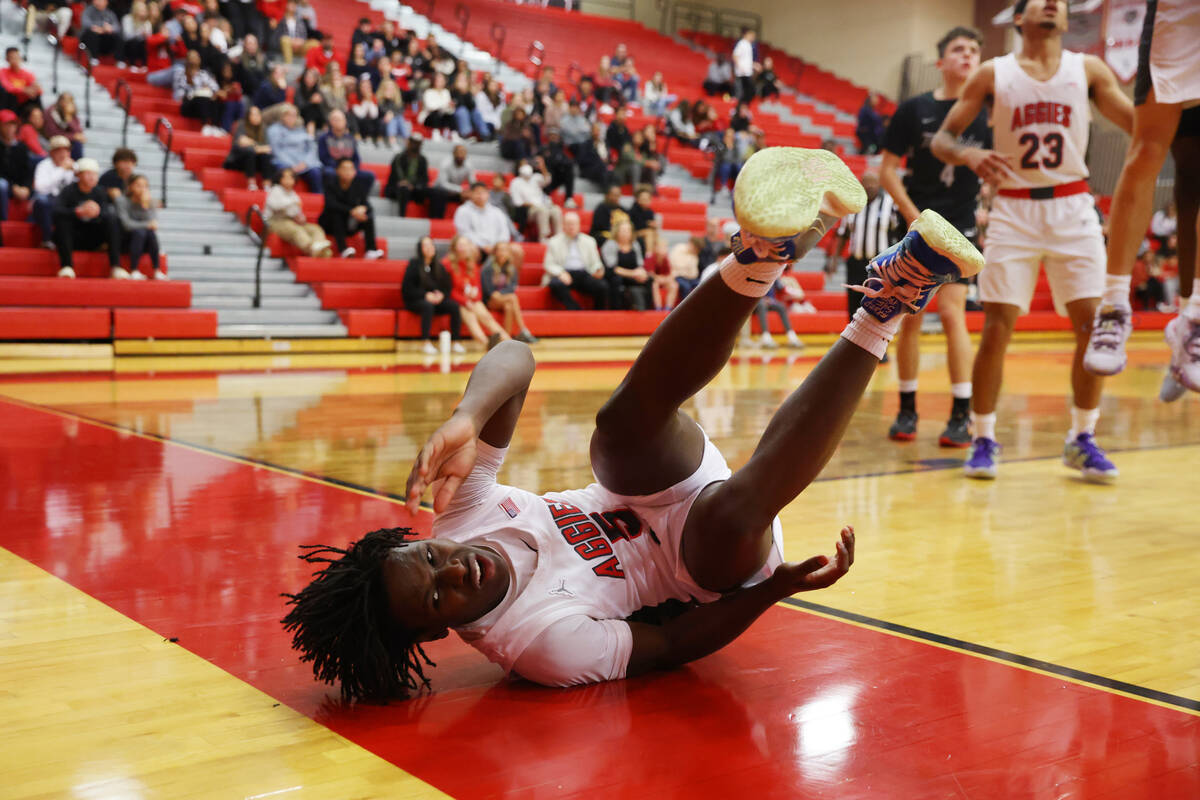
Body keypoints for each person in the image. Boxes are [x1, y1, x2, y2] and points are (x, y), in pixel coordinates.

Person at [280, 148, 988, 700]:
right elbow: (674, 645)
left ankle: (764, 252)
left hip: (646, 487)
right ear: (438, 629)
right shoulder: (540, 649)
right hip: (709, 565)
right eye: (439, 595)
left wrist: (467, 416)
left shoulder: (458, 521)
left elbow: (516, 356)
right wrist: (775, 591)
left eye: (431, 561)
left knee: (614, 435)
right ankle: (889, 299)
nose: (454, 569)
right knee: (725, 521)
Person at [931, 0, 1132, 482]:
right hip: (1014, 208)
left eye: (1060, 3)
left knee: (1090, 327)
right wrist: (970, 156)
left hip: (1073, 205)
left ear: (1064, 19)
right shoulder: (992, 73)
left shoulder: (1088, 68)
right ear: (1018, 18)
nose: (1052, 4)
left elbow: (1140, 126)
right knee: (998, 327)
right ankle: (983, 437)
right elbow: (942, 140)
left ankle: (1082, 438)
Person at [1081, 0, 1200, 401]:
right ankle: (1113, 306)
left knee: (1193, 177)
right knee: (1150, 152)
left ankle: (1191, 320)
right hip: (1180, 15)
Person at [878, 26, 989, 447]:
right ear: (941, 62)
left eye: (974, 50)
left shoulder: (989, 111)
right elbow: (887, 169)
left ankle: (961, 414)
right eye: (959, 49)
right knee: (909, 315)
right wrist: (913, 217)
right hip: (917, 218)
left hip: (961, 221)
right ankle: (907, 409)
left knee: (953, 313)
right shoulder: (914, 110)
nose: (967, 55)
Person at [827, 172, 899, 325]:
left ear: (879, 184)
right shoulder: (854, 206)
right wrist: (834, 259)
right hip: (856, 263)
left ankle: (879, 349)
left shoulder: (889, 204)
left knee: (878, 306)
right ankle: (852, 345)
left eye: (873, 182)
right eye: (866, 182)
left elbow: (899, 234)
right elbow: (843, 234)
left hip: (880, 266)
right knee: (854, 307)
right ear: (861, 184)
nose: (869, 186)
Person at [53, 158, 123, 279]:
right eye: (88, 173)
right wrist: (77, 212)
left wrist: (97, 212)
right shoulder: (69, 190)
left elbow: (106, 213)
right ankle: (67, 266)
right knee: (63, 221)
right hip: (73, 238)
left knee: (112, 218)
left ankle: (116, 267)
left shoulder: (100, 191)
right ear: (79, 175)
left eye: (95, 174)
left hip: (93, 237)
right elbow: (56, 211)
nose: (92, 177)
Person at [444, 234, 511, 348]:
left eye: (466, 245)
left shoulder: (472, 264)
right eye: (461, 245)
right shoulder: (447, 264)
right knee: (472, 320)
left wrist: (475, 298)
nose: (464, 248)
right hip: (458, 302)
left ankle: (509, 344)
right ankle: (487, 345)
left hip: (473, 300)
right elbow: (448, 290)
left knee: (487, 317)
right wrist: (465, 302)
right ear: (454, 247)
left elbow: (478, 287)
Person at [402, 236, 464, 354]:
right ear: (420, 249)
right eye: (426, 245)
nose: (430, 248)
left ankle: (456, 342)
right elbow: (407, 289)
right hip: (415, 300)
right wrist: (425, 295)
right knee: (427, 306)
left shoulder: (438, 266)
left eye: (431, 245)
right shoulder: (414, 265)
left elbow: (447, 287)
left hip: (434, 301)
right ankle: (425, 342)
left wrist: (441, 295)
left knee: (454, 306)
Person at [318, 157, 383, 259]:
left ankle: (371, 250)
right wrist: (351, 211)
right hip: (330, 225)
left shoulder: (358, 186)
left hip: (349, 223)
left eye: (351, 169)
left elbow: (368, 205)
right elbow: (330, 204)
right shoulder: (331, 185)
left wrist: (363, 209)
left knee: (367, 217)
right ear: (337, 170)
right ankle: (343, 250)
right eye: (345, 169)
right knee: (336, 214)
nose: (348, 172)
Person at [544, 211, 609, 310]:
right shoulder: (554, 241)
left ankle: (598, 313)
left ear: (579, 225)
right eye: (568, 224)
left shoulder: (589, 241)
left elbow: (595, 262)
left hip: (583, 273)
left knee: (602, 286)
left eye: (574, 224)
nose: (571, 227)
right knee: (555, 284)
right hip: (564, 273)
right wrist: (561, 273)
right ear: (563, 226)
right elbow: (548, 264)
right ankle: (575, 309)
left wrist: (597, 269)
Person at [264, 166, 332, 257]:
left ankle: (319, 246)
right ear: (279, 179)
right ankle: (312, 248)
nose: (288, 180)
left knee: (315, 228)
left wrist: (300, 218)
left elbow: (296, 212)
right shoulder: (275, 190)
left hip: (292, 221)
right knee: (297, 230)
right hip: (275, 221)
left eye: (291, 177)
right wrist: (292, 203)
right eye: (285, 177)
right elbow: (275, 206)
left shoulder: (294, 195)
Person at [482, 241, 538, 344]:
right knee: (512, 298)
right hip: (490, 299)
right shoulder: (488, 267)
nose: (503, 252)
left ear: (509, 253)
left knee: (509, 306)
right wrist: (494, 293)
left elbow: (512, 287)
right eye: (500, 250)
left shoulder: (511, 268)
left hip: (503, 298)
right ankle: (523, 330)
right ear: (495, 252)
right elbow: (487, 289)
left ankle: (506, 338)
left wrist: (501, 293)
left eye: (505, 250)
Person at [116, 173, 167, 280]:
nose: (142, 189)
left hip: (144, 242)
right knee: (140, 231)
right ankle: (134, 270)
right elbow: (126, 224)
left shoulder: (149, 202)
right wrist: (146, 225)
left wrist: (145, 205)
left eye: (145, 186)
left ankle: (157, 270)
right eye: (138, 185)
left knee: (150, 233)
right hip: (125, 240)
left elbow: (153, 224)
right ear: (130, 187)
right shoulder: (121, 200)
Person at [31, 136, 76, 250]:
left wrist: (76, 173)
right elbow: (40, 188)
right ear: (51, 152)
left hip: (63, 204)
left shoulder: (74, 167)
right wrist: (61, 170)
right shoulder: (43, 165)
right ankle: (47, 240)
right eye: (59, 150)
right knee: (42, 201)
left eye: (66, 150)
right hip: (46, 204)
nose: (63, 154)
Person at [267, 104, 323, 193]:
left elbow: (312, 147)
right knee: (282, 170)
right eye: (288, 115)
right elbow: (276, 149)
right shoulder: (274, 129)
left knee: (316, 172)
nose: (291, 118)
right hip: (284, 162)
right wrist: (291, 165)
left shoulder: (302, 130)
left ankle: (318, 199)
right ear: (282, 116)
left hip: (303, 163)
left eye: (294, 115)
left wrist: (306, 163)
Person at [600, 219, 652, 310]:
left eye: (628, 230)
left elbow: (640, 264)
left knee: (649, 279)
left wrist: (641, 273)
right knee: (616, 280)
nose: (626, 233)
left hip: (632, 274)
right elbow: (613, 268)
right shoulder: (610, 244)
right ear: (617, 231)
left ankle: (647, 309)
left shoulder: (635, 244)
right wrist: (633, 273)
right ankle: (616, 309)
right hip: (615, 275)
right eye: (623, 230)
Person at [453, 181, 511, 260]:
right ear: (470, 194)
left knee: (515, 250)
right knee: (469, 249)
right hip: (475, 245)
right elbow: (464, 233)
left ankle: (507, 272)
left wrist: (499, 245)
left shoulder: (497, 212)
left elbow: (504, 231)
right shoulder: (463, 210)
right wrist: (483, 245)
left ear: (488, 194)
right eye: (477, 193)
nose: (480, 196)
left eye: (483, 193)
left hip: (496, 246)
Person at [508, 159, 562, 242]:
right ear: (519, 167)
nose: (526, 167)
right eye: (523, 165)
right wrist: (534, 205)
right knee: (542, 210)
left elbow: (547, 180)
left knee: (556, 210)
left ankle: (559, 237)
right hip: (528, 210)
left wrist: (542, 167)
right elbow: (517, 202)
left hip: (543, 206)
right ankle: (543, 237)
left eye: (527, 164)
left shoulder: (536, 177)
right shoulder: (515, 182)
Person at [175, 50, 225, 137]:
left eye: (197, 57)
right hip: (189, 105)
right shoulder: (181, 74)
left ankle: (215, 126)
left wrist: (212, 92)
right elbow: (179, 95)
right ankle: (205, 125)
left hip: (204, 104)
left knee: (213, 98)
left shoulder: (204, 74)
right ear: (187, 60)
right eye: (192, 57)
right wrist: (197, 91)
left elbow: (215, 88)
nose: (194, 60)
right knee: (201, 97)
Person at [225, 105, 274, 191]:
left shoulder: (263, 128)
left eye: (258, 114)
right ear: (248, 116)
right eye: (253, 114)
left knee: (266, 156)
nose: (256, 117)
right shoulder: (241, 125)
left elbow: (268, 148)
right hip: (239, 160)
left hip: (256, 160)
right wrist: (258, 147)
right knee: (250, 153)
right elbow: (241, 143)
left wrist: (252, 144)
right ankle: (251, 183)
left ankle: (267, 184)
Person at [0, 110, 33, 227]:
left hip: (19, 187)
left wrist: (26, 188)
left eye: (13, 124)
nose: (10, 128)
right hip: (7, 186)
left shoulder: (22, 147)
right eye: (6, 124)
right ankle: (3, 224)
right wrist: (13, 186)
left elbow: (28, 171)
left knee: (42, 195)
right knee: (1, 185)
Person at [384, 134, 430, 217]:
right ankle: (402, 217)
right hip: (397, 188)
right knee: (403, 189)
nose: (415, 145)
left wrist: (413, 186)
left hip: (414, 190)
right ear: (408, 143)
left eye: (417, 143)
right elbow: (393, 177)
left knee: (435, 192)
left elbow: (424, 179)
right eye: (413, 143)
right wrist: (401, 183)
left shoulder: (422, 160)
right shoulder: (398, 157)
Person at [430, 144, 474, 220]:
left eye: (463, 153)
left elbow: (473, 182)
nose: (461, 155)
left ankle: (469, 220)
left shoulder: (469, 165)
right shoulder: (445, 163)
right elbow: (443, 184)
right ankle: (437, 220)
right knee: (440, 193)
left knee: (472, 196)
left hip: (456, 192)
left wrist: (471, 191)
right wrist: (461, 189)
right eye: (459, 152)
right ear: (454, 153)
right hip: (441, 189)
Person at [732, 28, 758, 103]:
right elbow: (735, 55)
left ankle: (744, 104)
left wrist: (754, 65)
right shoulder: (742, 43)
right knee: (741, 92)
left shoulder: (748, 45)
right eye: (752, 36)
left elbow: (746, 60)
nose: (753, 39)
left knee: (749, 91)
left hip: (747, 72)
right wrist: (740, 67)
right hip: (742, 73)